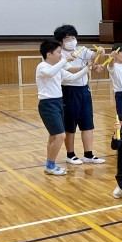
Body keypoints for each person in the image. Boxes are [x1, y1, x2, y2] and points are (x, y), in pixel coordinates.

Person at [53, 24, 106, 165]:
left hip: (84, 90)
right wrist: (88, 67)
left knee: (87, 123)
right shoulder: (60, 55)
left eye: (73, 37)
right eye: (67, 38)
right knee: (70, 124)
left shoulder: (82, 49)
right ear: (61, 41)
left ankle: (88, 154)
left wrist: (100, 51)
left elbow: (94, 56)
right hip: (69, 90)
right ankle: (70, 155)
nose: (71, 41)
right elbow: (70, 70)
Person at [36, 40, 90, 175]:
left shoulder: (58, 68)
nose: (61, 55)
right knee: (60, 135)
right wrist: (65, 60)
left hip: (59, 102)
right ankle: (50, 165)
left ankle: (49, 164)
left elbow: (72, 78)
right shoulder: (42, 66)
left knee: (53, 136)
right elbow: (50, 73)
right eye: (59, 52)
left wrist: (87, 68)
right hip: (48, 104)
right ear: (49, 54)